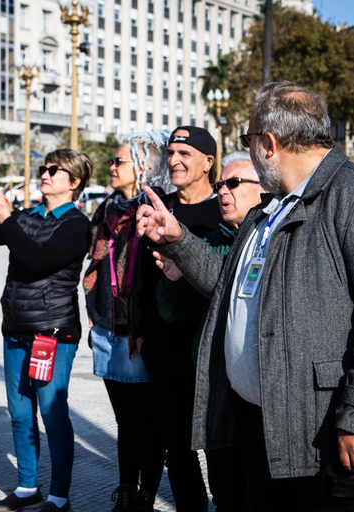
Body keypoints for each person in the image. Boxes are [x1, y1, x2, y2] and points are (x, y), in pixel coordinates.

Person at [138, 82, 354, 511]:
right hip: (265, 424)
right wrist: (178, 239)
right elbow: (232, 287)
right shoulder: (268, 211)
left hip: (327, 431)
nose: (249, 152)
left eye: (248, 142)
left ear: (269, 144)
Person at [0, 150, 93, 512]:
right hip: (15, 328)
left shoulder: (76, 224)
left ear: (74, 181)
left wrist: (6, 218)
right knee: (20, 413)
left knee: (52, 412)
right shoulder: (28, 216)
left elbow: (38, 259)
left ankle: (58, 496)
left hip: (51, 332)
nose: (45, 174)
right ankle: (27, 487)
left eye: (55, 170)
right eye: (43, 169)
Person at [155, 151, 265, 511]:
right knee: (225, 486)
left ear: (263, 188)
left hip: (259, 390)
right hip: (218, 388)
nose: (223, 191)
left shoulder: (275, 240)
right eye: (220, 185)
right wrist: (174, 279)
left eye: (233, 183)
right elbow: (174, 312)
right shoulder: (207, 240)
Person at [83, 129, 170, 512]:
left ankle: (146, 495)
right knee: (124, 421)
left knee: (147, 421)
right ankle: (126, 490)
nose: (111, 166)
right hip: (107, 328)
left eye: (119, 161)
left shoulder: (158, 208)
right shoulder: (107, 209)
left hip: (140, 332)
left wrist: (148, 328)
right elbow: (93, 262)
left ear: (143, 166)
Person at [141, 125, 222, 512]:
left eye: (185, 153)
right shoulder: (162, 207)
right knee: (177, 446)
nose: (174, 160)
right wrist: (140, 332)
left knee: (222, 445)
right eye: (171, 152)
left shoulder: (224, 208)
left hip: (211, 349)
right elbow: (141, 275)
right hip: (163, 348)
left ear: (208, 162)